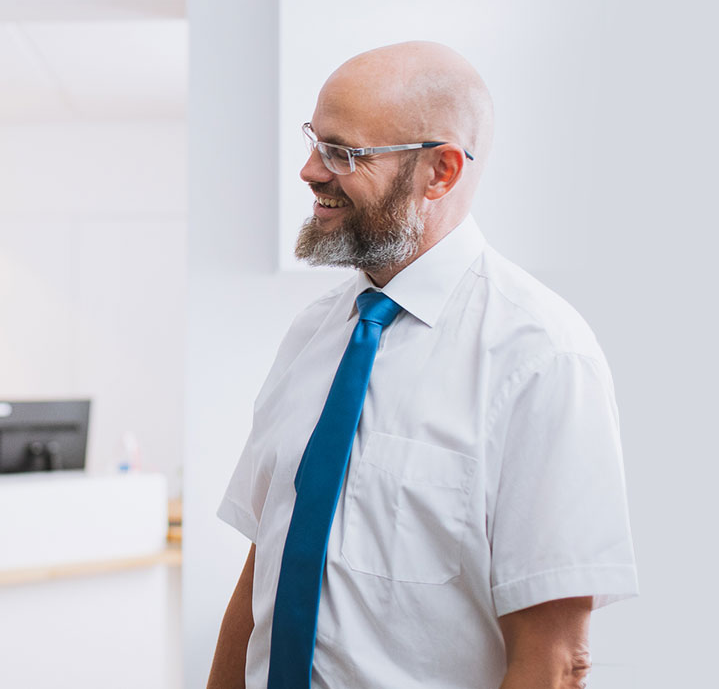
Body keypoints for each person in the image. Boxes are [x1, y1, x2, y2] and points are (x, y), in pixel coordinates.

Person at [207, 42, 637, 689]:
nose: (309, 171)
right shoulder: (312, 335)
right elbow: (263, 569)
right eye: (314, 141)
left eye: (342, 153)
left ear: (440, 171)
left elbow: (553, 659)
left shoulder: (543, 359)